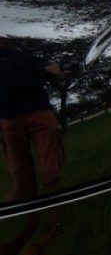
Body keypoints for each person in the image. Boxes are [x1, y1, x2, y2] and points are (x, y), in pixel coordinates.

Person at [0, 37, 65, 202]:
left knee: (49, 168)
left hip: (38, 112)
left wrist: (62, 69)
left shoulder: (27, 55)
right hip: (8, 118)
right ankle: (25, 210)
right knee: (20, 170)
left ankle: (53, 215)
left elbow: (52, 68)